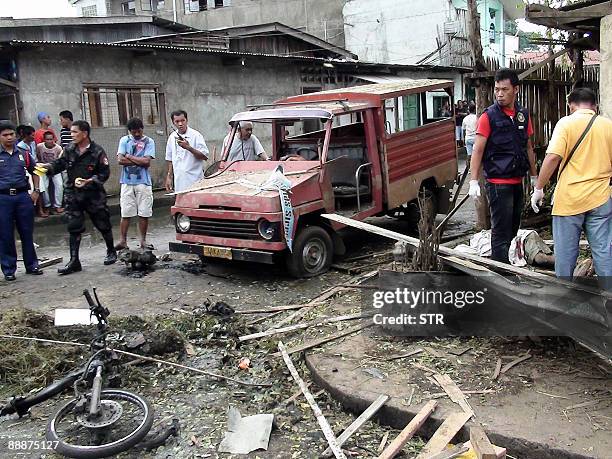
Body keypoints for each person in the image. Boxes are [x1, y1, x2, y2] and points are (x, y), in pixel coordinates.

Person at [530, 87, 611, 285]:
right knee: (603, 252)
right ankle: (609, 300)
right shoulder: (608, 125)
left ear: (570, 105)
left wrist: (539, 189)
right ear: (595, 105)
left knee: (566, 254)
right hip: (601, 198)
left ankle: (562, 298)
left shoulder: (566, 123)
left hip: (569, 200)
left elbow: (552, 158)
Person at [468, 68, 538, 264]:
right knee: (500, 230)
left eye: (504, 89)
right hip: (498, 183)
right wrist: (473, 180)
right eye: (497, 89)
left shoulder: (522, 114)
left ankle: (507, 264)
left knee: (514, 227)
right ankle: (500, 270)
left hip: (517, 181)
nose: (499, 94)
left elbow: (529, 147)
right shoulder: (488, 116)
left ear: (516, 89)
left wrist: (534, 178)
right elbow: (478, 150)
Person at [41, 120, 117, 274]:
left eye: (75, 132)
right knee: (74, 227)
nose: (72, 135)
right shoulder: (69, 149)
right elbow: (60, 164)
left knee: (103, 224)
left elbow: (104, 173)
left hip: (93, 195)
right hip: (73, 195)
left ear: (85, 133)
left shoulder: (97, 151)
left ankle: (111, 251)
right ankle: (74, 261)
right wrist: (47, 168)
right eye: (71, 132)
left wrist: (90, 181)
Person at [0, 120, 43, 281]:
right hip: (3, 198)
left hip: (22, 197)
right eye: (5, 135)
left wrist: (36, 191)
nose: (9, 137)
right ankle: (9, 269)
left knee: (27, 232)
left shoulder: (23, 154)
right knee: (5, 234)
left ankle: (32, 265)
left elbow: (36, 170)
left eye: (11, 134)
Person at [116, 117, 155, 250]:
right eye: (134, 132)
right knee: (125, 212)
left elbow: (147, 162)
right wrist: (139, 160)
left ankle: (143, 241)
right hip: (127, 181)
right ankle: (123, 240)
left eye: (139, 131)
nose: (137, 134)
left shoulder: (149, 141)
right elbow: (120, 160)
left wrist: (130, 156)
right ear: (130, 131)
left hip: (143, 182)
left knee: (144, 212)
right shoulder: (124, 140)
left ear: (142, 129)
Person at [165, 110, 209, 192]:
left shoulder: (196, 135)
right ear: (173, 122)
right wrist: (169, 177)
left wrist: (188, 147)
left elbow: (205, 156)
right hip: (179, 182)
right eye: (177, 121)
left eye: (182, 120)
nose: (180, 124)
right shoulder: (172, 137)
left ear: (187, 120)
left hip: (195, 181)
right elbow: (170, 158)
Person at [36, 131, 64, 214]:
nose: (49, 141)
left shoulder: (58, 148)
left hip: (55, 168)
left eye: (51, 139)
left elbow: (60, 161)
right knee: (43, 186)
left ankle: (58, 206)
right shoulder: (39, 146)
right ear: (44, 140)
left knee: (59, 185)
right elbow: (38, 156)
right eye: (47, 139)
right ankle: (47, 206)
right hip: (43, 168)